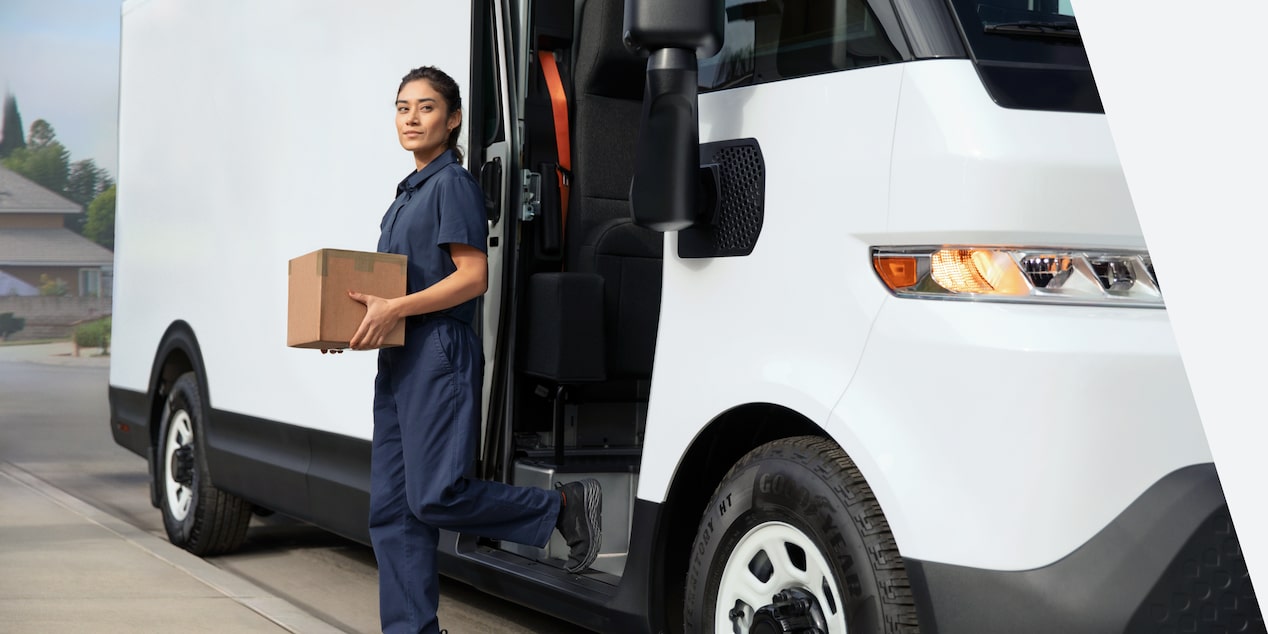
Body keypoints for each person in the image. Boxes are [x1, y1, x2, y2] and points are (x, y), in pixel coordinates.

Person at [344, 65, 601, 634]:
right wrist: (354, 327)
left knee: (434, 498)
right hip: (401, 358)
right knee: (391, 512)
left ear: (453, 118)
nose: (412, 118)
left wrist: (396, 311)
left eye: (427, 107)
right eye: (403, 106)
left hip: (438, 352)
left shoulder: (450, 184)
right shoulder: (407, 193)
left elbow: (472, 276)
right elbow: (397, 287)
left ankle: (558, 507)